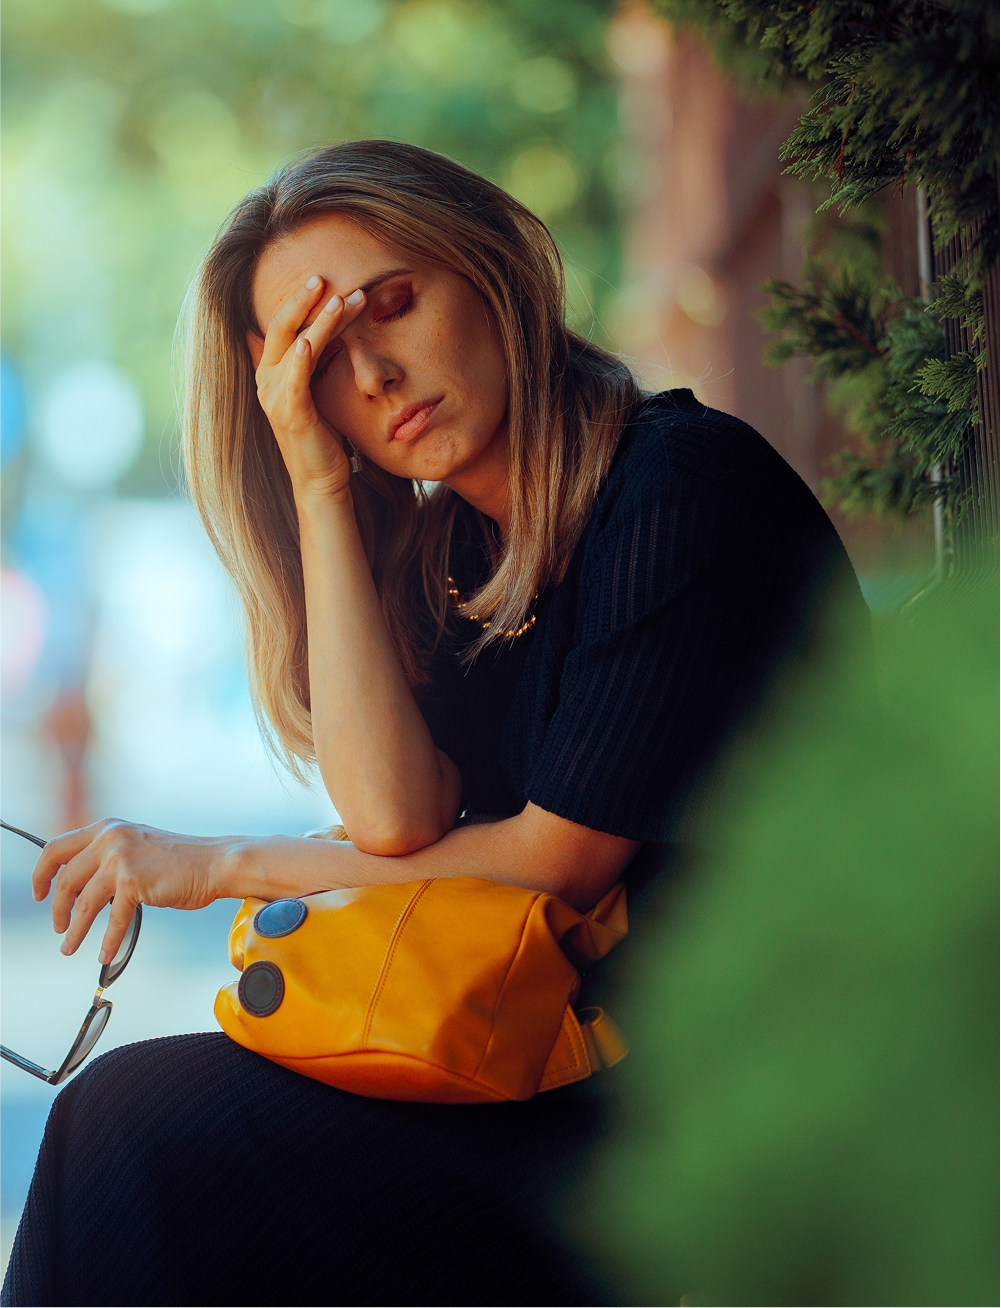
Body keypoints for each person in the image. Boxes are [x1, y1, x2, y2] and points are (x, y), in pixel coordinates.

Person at [1, 141, 869, 1308]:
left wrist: (216, 865)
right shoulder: (459, 555)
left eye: (392, 306)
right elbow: (395, 820)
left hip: (727, 1095)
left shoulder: (679, 489)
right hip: (559, 1069)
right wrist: (317, 486)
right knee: (135, 1129)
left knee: (142, 1134)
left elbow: (552, 863)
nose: (374, 376)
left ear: (492, 267)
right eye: (321, 364)